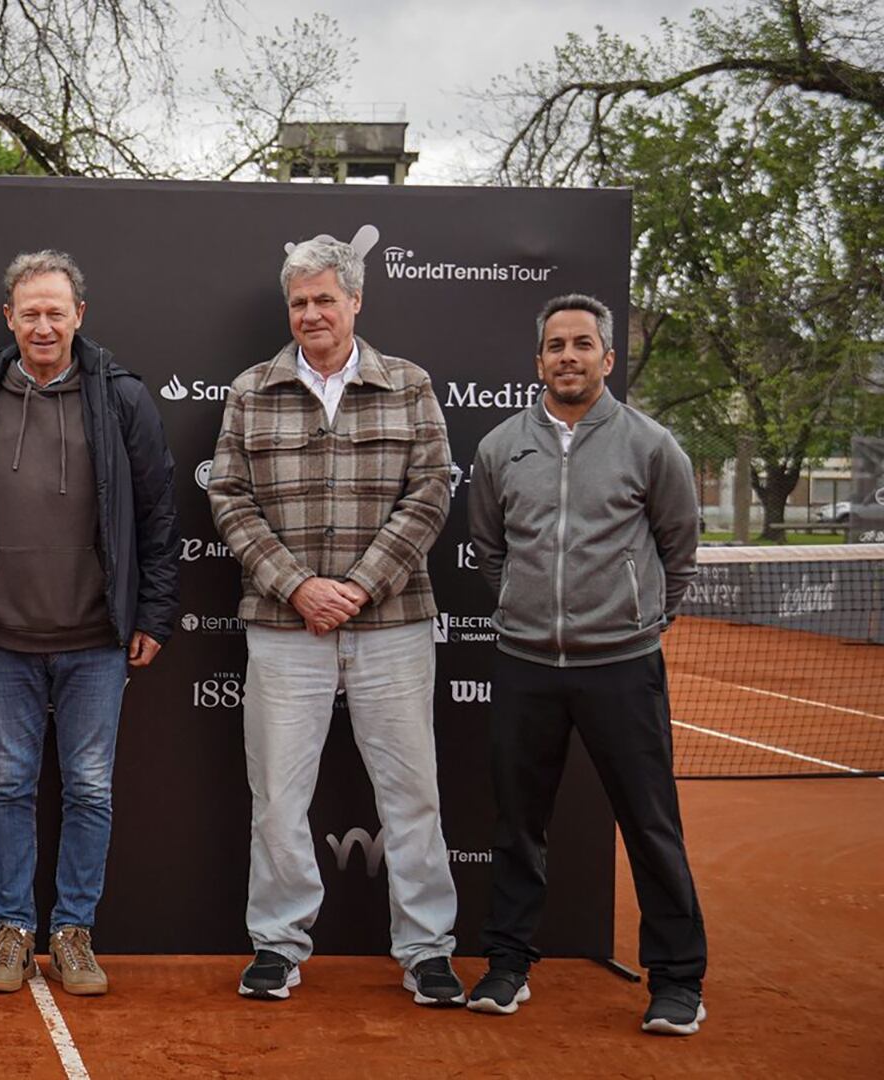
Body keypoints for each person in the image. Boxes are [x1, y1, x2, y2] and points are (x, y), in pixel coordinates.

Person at [208, 233, 464, 1007]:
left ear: (355, 301)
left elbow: (430, 494)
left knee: (412, 794)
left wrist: (355, 587)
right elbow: (228, 498)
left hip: (393, 623)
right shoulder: (251, 389)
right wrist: (299, 588)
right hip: (286, 627)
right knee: (279, 798)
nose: (312, 313)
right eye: (299, 302)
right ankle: (278, 946)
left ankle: (426, 950)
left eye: (325, 299)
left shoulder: (409, 385)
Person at [466, 293, 707, 1035]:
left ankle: (676, 981)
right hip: (525, 665)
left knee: (650, 824)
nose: (568, 356)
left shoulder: (650, 444)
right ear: (537, 361)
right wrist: (523, 606)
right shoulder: (501, 447)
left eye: (582, 344)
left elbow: (679, 550)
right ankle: (508, 965)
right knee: (516, 824)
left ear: (608, 357)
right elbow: (489, 548)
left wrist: (634, 622)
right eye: (555, 346)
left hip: (622, 668)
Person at [0, 250, 180, 997]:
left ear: (80, 315)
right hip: (5, 637)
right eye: (29, 312)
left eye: (56, 311)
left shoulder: (123, 399)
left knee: (89, 789)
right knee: (9, 785)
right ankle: (12, 929)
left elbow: (158, 514)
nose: (43, 325)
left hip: (96, 637)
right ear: (8, 318)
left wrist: (154, 611)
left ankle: (73, 930)